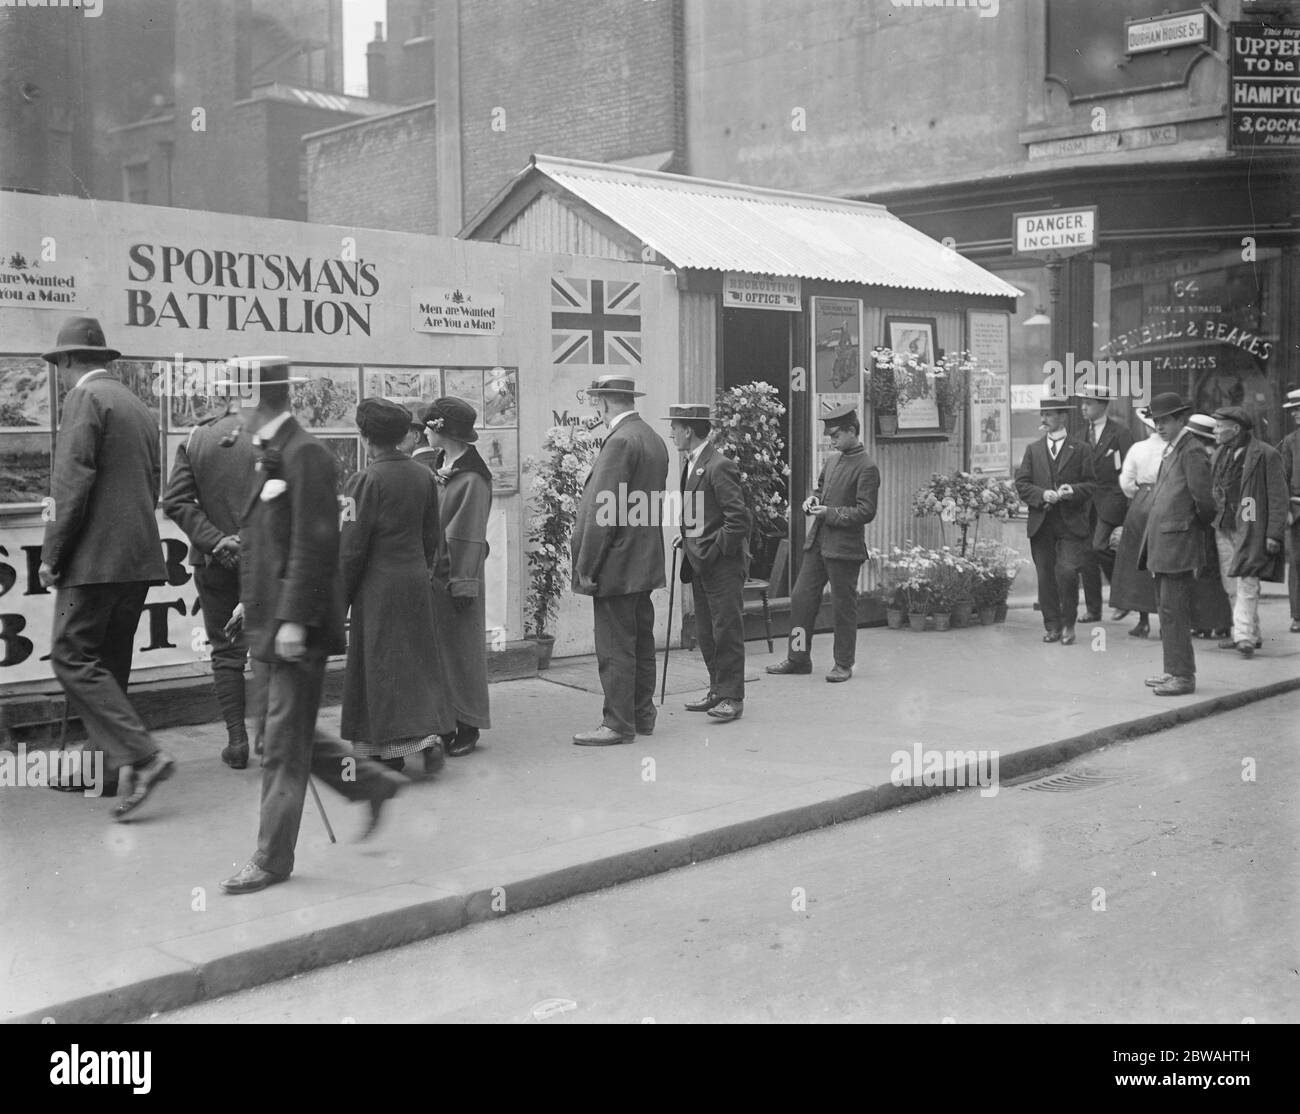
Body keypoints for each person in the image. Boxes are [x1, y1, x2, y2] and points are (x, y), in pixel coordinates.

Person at [220, 358, 404, 896]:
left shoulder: (306, 454)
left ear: (258, 400)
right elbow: (271, 542)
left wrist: (294, 619)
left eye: (237, 398)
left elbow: (315, 543)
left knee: (280, 742)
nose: (234, 410)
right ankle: (370, 783)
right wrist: (247, 606)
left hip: (296, 626)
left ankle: (272, 858)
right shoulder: (269, 454)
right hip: (270, 618)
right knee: (278, 731)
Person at [39, 316, 174, 817]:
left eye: (58, 364)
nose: (58, 373)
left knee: (71, 656)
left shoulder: (84, 399)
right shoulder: (137, 405)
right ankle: (105, 771)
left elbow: (68, 485)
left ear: (69, 360)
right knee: (110, 662)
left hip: (92, 562)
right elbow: (152, 482)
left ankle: (144, 754)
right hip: (137, 557)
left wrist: (52, 556)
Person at [339, 397, 451, 777]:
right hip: (414, 579)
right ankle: (429, 737)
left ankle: (389, 750)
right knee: (417, 661)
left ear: (365, 437)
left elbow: (350, 546)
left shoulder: (364, 480)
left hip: (377, 585)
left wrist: (340, 600)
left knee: (380, 664)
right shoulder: (423, 475)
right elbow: (432, 536)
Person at [160, 377, 258, 770]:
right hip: (266, 562)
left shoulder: (197, 438)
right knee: (270, 646)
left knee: (226, 651)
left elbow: (176, 501)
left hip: (216, 562)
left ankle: (237, 742)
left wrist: (218, 542)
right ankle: (276, 738)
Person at [570, 374, 669, 745]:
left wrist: (585, 564)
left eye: (597, 400)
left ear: (606, 401)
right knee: (642, 643)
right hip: (644, 560)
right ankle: (642, 714)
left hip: (615, 562)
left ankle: (616, 724)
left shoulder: (620, 442)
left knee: (615, 648)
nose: (596, 407)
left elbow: (600, 512)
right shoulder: (654, 439)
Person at [767, 404, 879, 682]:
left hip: (845, 550)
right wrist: (812, 500)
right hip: (818, 543)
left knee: (843, 607)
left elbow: (867, 511)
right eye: (830, 436)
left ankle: (843, 664)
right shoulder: (832, 461)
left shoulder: (867, 467)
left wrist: (829, 513)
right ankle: (798, 658)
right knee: (800, 599)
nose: (831, 440)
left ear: (852, 431)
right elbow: (820, 490)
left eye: (836, 435)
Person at [666, 403, 751, 722]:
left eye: (674, 427)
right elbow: (705, 513)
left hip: (721, 565)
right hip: (701, 560)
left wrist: (708, 549)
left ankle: (732, 696)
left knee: (726, 630)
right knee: (707, 631)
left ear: (688, 430)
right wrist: (687, 538)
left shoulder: (719, 465)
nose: (672, 433)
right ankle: (717, 689)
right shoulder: (693, 463)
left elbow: (737, 521)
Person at [420, 397, 494, 756]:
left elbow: (467, 534)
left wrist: (463, 583)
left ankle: (469, 725)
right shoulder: (442, 464)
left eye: (429, 426)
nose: (423, 433)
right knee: (443, 654)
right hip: (436, 573)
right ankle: (446, 721)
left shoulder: (472, 478)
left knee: (462, 653)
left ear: (442, 432)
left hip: (457, 576)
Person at [1138, 393, 1217, 697]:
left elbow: (1205, 502)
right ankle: (1173, 670)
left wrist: (1189, 529)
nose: (1159, 425)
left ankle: (1183, 675)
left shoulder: (1191, 450)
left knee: (1174, 611)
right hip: (1166, 543)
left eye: (1166, 420)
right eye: (1156, 420)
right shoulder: (1174, 449)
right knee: (1167, 611)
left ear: (1181, 419)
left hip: (1178, 544)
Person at [1014, 394, 1097, 645]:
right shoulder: (1033, 449)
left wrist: (1073, 491)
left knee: (1068, 573)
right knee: (1046, 577)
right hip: (1042, 524)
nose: (1044, 419)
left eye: (1049, 415)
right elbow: (1022, 484)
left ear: (1063, 417)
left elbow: (1092, 484)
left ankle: (1069, 623)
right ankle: (1052, 626)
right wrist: (1042, 495)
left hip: (1071, 524)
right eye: (1043, 415)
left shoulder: (1081, 449)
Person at [1208, 405, 1288, 657]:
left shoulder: (1266, 454)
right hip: (1223, 526)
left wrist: (1274, 533)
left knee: (1247, 578)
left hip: (1251, 527)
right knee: (1231, 582)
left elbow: (1278, 497)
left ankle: (1242, 636)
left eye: (1220, 426)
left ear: (1236, 429)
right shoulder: (1220, 453)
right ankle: (1251, 632)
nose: (1216, 431)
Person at [1076, 385, 1134, 621]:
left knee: (1100, 547)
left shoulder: (1120, 433)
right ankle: (1093, 610)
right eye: (1082, 403)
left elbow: (1131, 471)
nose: (1083, 408)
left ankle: (1122, 596)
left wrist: (1127, 506)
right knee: (1087, 555)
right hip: (1084, 504)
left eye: (1088, 403)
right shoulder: (1079, 435)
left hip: (1111, 502)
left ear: (1102, 405)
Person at [1108, 408, 1163, 639]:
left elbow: (1127, 482)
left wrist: (1139, 495)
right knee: (1163, 561)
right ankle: (1167, 620)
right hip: (1165, 501)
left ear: (1147, 427)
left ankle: (1143, 621)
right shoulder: (1174, 448)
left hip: (1141, 502)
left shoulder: (1138, 449)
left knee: (1136, 561)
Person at [1279, 389, 1300, 634]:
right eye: (1293, 409)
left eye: (1298, 408)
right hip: (1297, 510)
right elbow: (1282, 479)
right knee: (1297, 564)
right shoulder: (1290, 442)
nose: (1295, 413)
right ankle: (1297, 616)